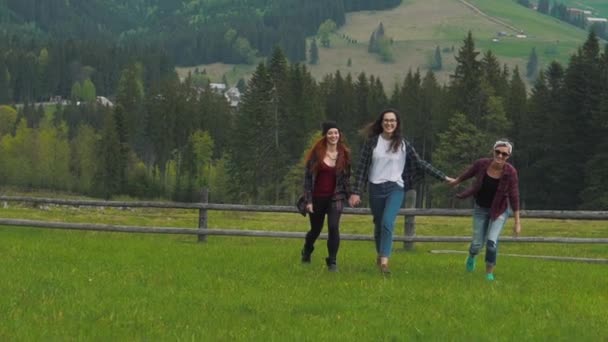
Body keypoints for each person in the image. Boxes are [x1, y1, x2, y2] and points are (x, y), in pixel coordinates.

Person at [348, 109, 453, 274]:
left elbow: (420, 163)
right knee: (378, 225)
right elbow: (362, 169)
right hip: (375, 188)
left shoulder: (403, 144)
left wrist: (443, 177)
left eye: (392, 121)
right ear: (381, 123)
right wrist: (356, 192)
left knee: (388, 223)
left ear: (397, 124)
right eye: (386, 120)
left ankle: (384, 262)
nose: (389, 123)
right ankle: (380, 254)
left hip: (395, 188)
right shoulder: (372, 143)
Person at [448, 139, 521, 281]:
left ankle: (489, 274)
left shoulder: (510, 172)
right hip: (481, 208)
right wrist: (456, 181)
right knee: (477, 243)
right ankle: (471, 256)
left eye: (504, 154)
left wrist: (517, 222)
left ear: (508, 156)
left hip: (499, 210)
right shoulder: (481, 164)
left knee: (491, 242)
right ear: (493, 151)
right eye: (498, 152)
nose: (500, 156)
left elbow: (514, 195)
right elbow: (468, 173)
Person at [301, 121, 351, 272]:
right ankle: (307, 249)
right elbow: (308, 179)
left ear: (339, 134)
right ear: (325, 135)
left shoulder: (344, 154)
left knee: (334, 227)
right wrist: (308, 200)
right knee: (315, 230)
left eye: (336, 133)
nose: (333, 135)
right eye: (330, 133)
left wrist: (350, 194)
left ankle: (332, 261)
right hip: (317, 197)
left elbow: (347, 178)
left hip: (336, 197)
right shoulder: (317, 153)